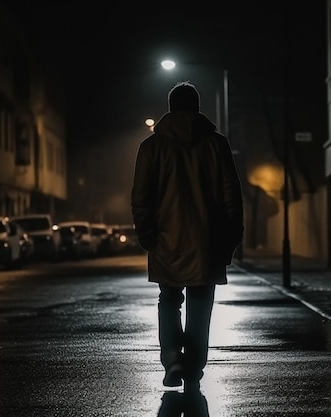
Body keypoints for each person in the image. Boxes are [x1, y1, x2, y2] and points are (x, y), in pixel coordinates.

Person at [131, 81, 244, 392]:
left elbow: (142, 197)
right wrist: (232, 237)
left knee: (169, 300)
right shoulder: (216, 145)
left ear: (170, 107)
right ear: (197, 107)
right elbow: (231, 194)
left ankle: (172, 358)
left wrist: (148, 235)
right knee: (200, 301)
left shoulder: (151, 148)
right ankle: (193, 364)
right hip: (207, 240)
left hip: (166, 239)